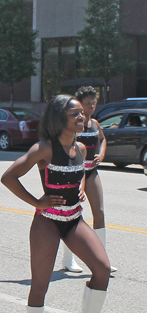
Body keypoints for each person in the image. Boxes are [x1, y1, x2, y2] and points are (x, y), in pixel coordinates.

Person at [1, 94, 110, 313]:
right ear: (60, 117)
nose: (81, 117)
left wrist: (81, 187)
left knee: (102, 269)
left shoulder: (82, 149)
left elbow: (81, 173)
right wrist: (37, 202)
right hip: (47, 222)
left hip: (74, 219)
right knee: (40, 285)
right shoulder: (44, 149)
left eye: (81, 114)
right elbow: (8, 177)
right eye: (75, 114)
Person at [61, 86, 117, 273]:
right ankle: (68, 259)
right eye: (88, 103)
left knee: (99, 212)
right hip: (75, 175)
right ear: (78, 104)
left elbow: (102, 139)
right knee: (72, 215)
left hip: (91, 172)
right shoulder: (72, 124)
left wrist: (101, 155)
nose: (92, 106)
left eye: (94, 103)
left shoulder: (95, 123)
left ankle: (102, 259)